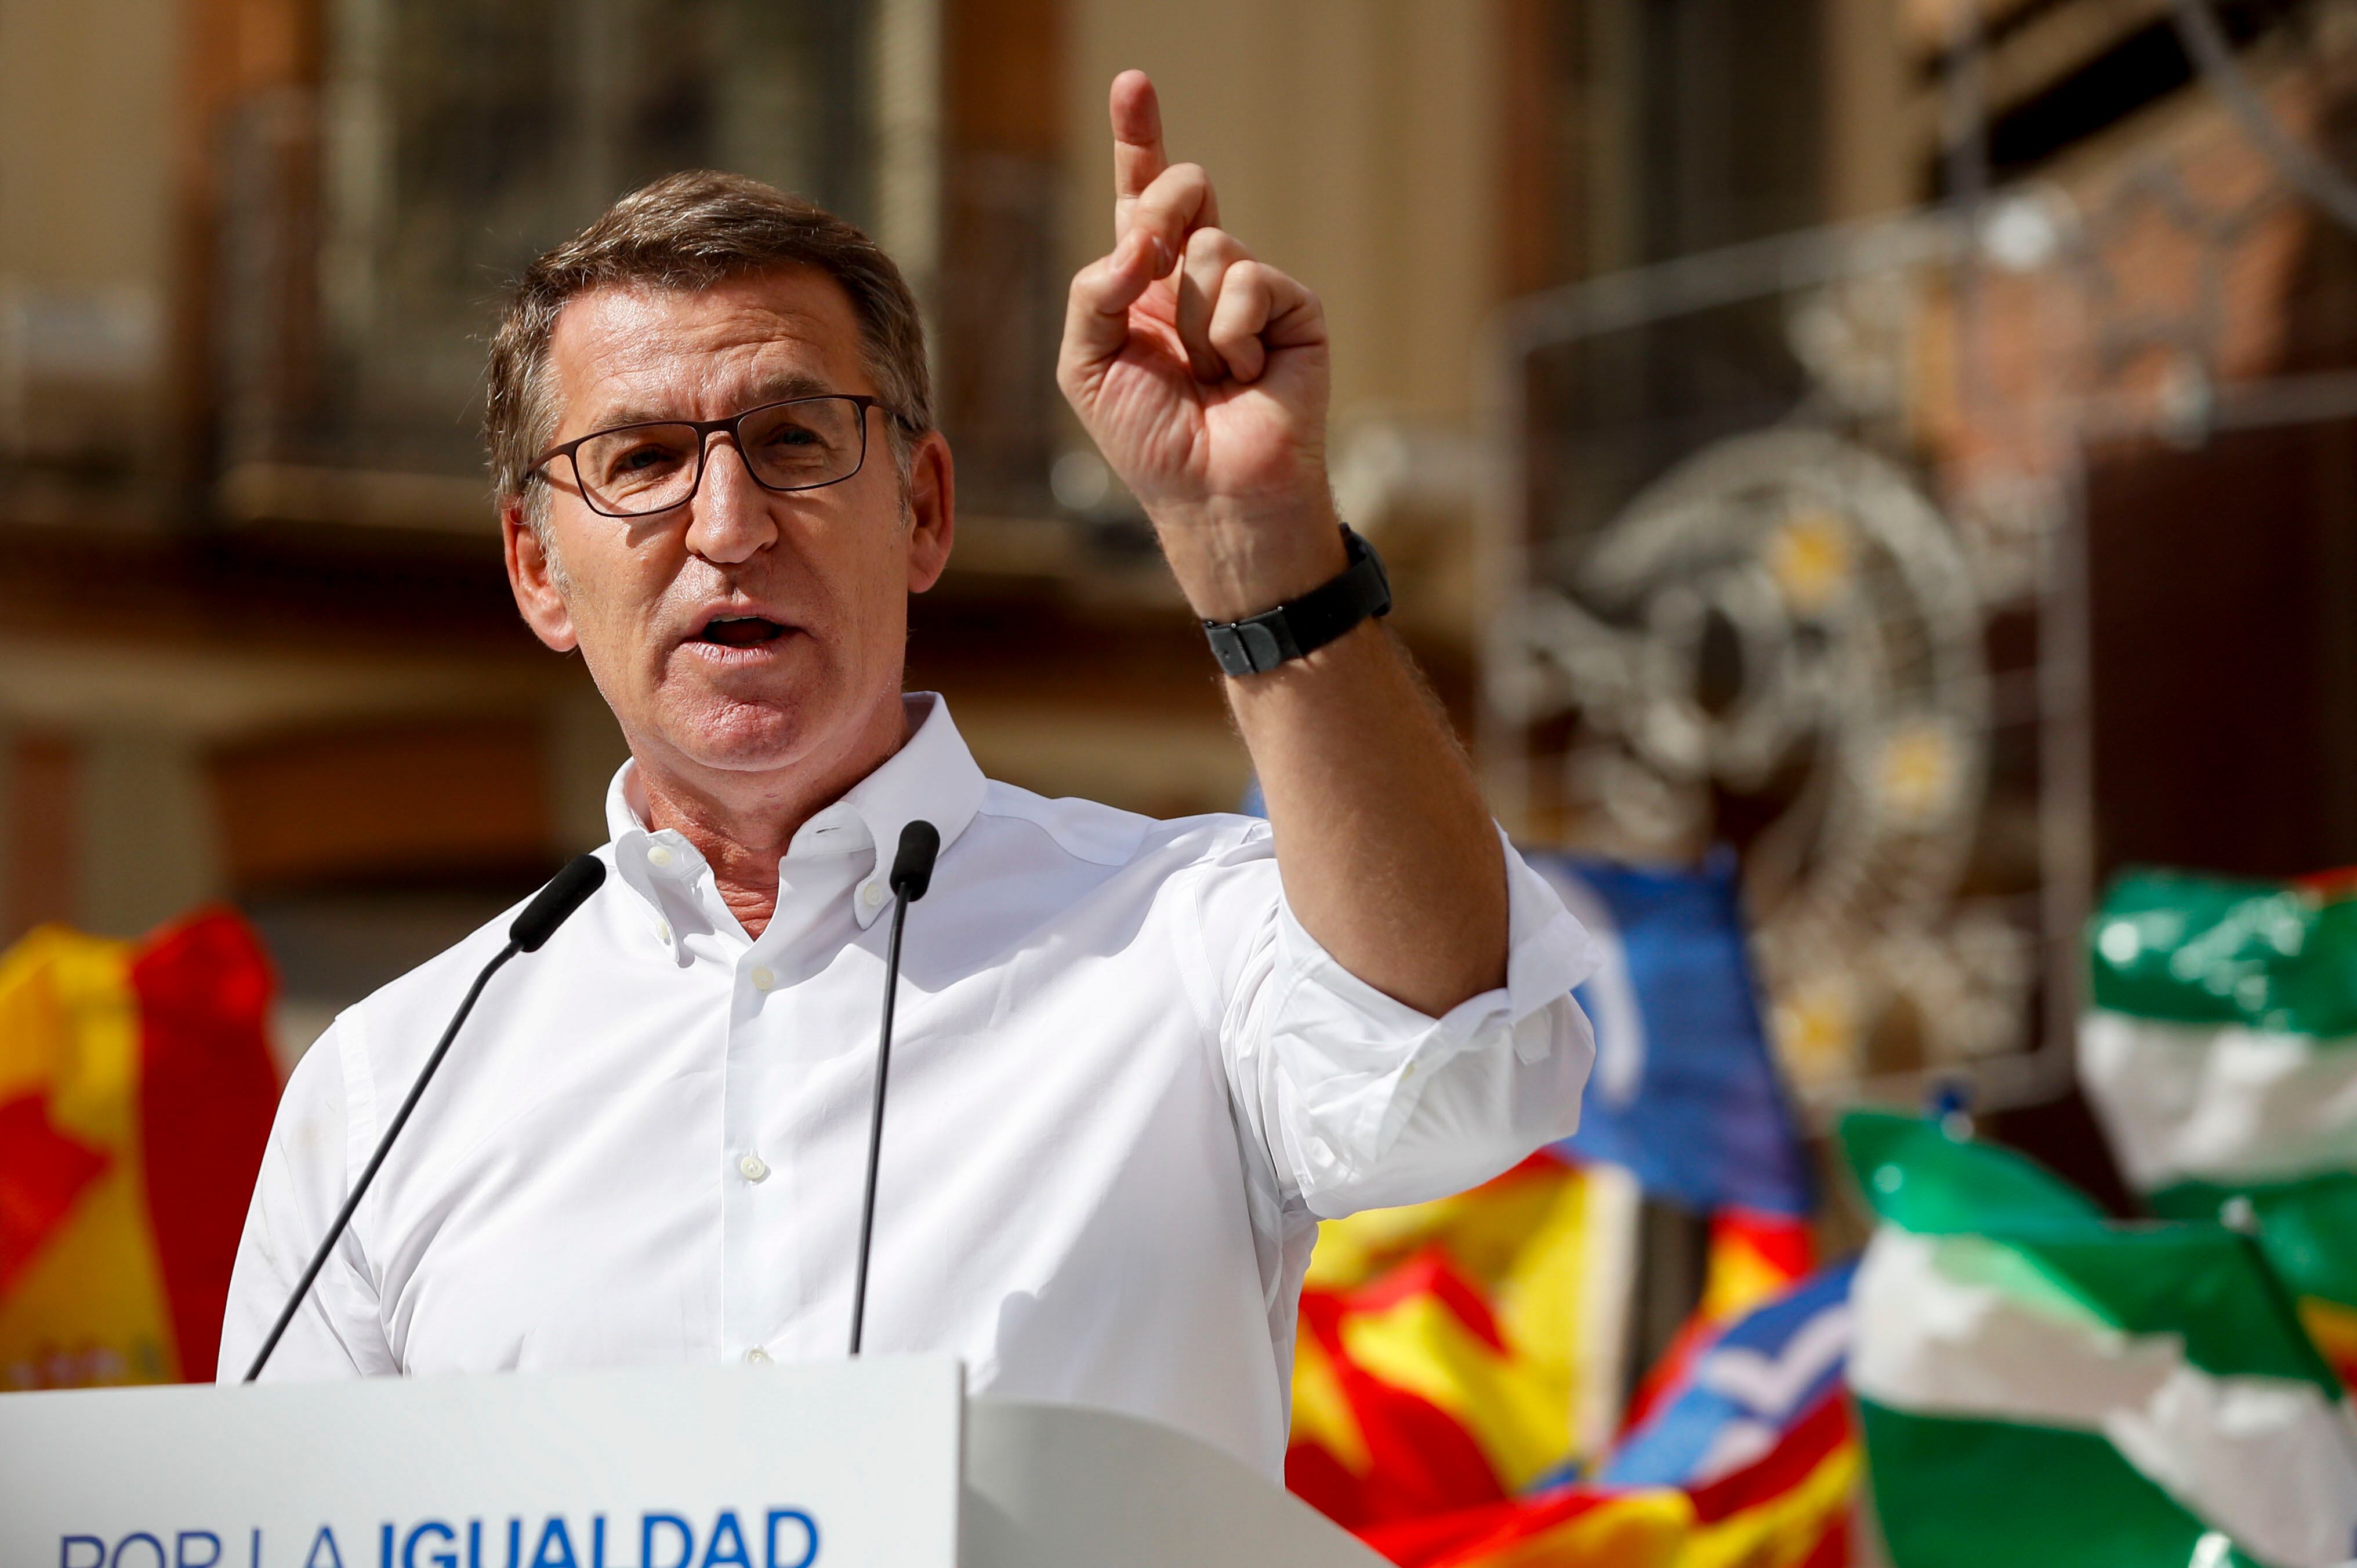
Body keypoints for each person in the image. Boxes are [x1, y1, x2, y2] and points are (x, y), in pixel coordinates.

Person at [219, 71, 1597, 1477]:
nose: (728, 522)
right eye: (639, 459)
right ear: (537, 570)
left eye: (794, 441)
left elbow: (1467, 1059)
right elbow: (256, 1516)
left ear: (922, 508)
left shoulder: (1185, 931)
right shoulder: (391, 1081)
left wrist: (1256, 545)